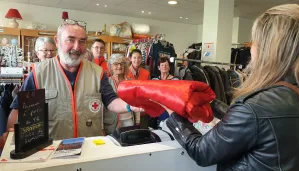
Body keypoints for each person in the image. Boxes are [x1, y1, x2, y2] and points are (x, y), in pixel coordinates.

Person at [156, 4, 299, 170]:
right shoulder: (294, 95)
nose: (250, 48)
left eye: (254, 41)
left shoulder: (253, 108)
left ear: (267, 49)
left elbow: (202, 151)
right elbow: (253, 125)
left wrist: (173, 114)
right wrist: (210, 101)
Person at [0, 19, 143, 148]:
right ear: (57, 41)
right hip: (53, 150)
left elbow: (111, 101)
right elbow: (19, 109)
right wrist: (10, 136)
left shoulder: (97, 72)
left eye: (82, 41)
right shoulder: (39, 73)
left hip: (90, 149)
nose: (77, 47)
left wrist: (131, 106)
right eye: (70, 40)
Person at [104, 54, 138, 134]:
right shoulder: (106, 82)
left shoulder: (131, 82)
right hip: (111, 122)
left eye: (121, 64)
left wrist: (138, 121)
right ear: (111, 67)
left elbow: (136, 102)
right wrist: (101, 127)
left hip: (128, 119)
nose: (119, 66)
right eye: (116, 64)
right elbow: (102, 106)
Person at [152, 57, 179, 124]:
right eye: (162, 65)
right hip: (157, 109)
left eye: (166, 65)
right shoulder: (154, 81)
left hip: (170, 109)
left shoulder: (175, 80)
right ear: (158, 67)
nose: (164, 67)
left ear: (169, 67)